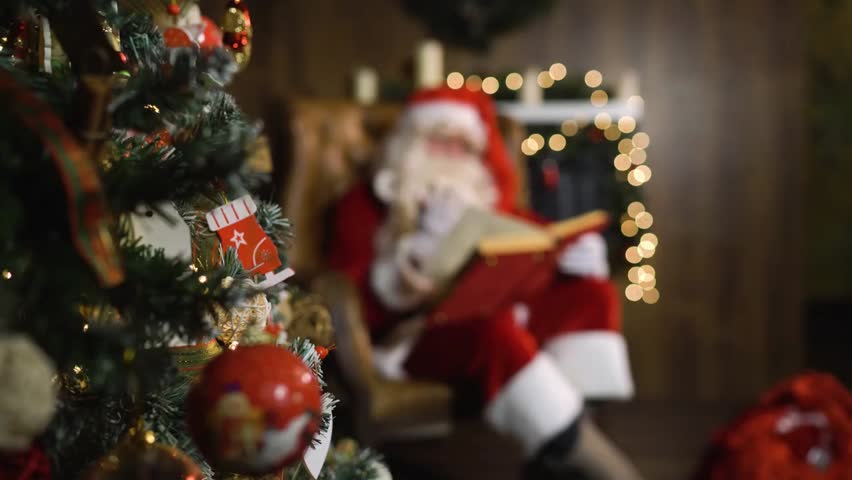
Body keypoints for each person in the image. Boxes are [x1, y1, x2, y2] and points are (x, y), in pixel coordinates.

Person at [327, 85, 642, 479]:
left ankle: (564, 444)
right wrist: (421, 253)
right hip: (414, 339)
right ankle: (605, 468)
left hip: (500, 317)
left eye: (463, 146)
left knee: (590, 293)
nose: (451, 155)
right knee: (495, 331)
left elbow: (541, 238)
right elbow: (355, 302)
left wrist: (578, 256)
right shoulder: (366, 204)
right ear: (409, 145)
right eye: (440, 142)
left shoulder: (484, 198)